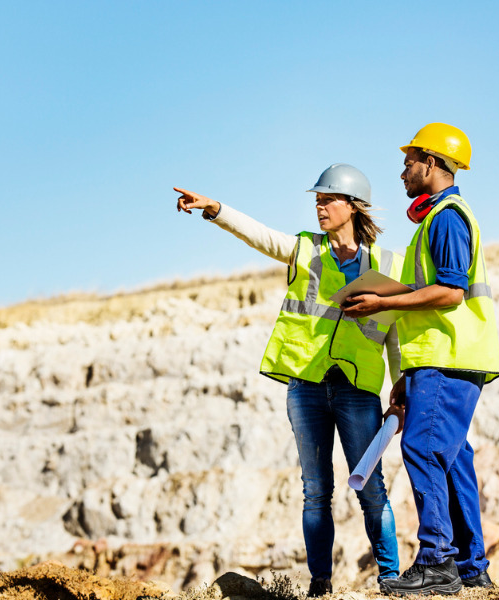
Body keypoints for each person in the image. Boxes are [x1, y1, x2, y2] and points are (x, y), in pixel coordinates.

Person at [174, 164, 402, 596]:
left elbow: (394, 329)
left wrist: (402, 381)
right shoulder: (305, 250)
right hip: (306, 385)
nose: (319, 206)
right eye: (316, 199)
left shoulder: (389, 263)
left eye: (328, 199)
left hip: (358, 390)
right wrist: (216, 209)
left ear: (352, 206)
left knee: (372, 488)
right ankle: (321, 584)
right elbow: (258, 235)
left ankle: (390, 578)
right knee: (316, 491)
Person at [342, 124, 499, 595]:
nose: (403, 171)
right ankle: (471, 567)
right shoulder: (437, 220)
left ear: (431, 163)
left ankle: (436, 561)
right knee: (451, 460)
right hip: (438, 360)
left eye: (409, 162)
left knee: (423, 450)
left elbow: (451, 291)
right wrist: (406, 374)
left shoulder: (448, 217)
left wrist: (383, 303)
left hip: (447, 359)